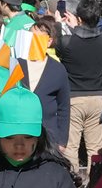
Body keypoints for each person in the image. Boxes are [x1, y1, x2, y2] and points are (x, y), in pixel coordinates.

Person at [56, 0, 102, 183]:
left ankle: (73, 186)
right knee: (95, 147)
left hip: (73, 97)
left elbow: (61, 46)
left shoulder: (66, 42)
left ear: (78, 18)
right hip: (98, 97)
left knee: (70, 146)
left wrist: (65, 26)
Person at [18, 17, 71, 151]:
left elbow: (64, 107)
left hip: (49, 136)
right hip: (20, 134)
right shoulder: (17, 64)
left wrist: (62, 141)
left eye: (38, 38)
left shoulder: (57, 69)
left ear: (49, 41)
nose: (33, 41)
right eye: (30, 36)